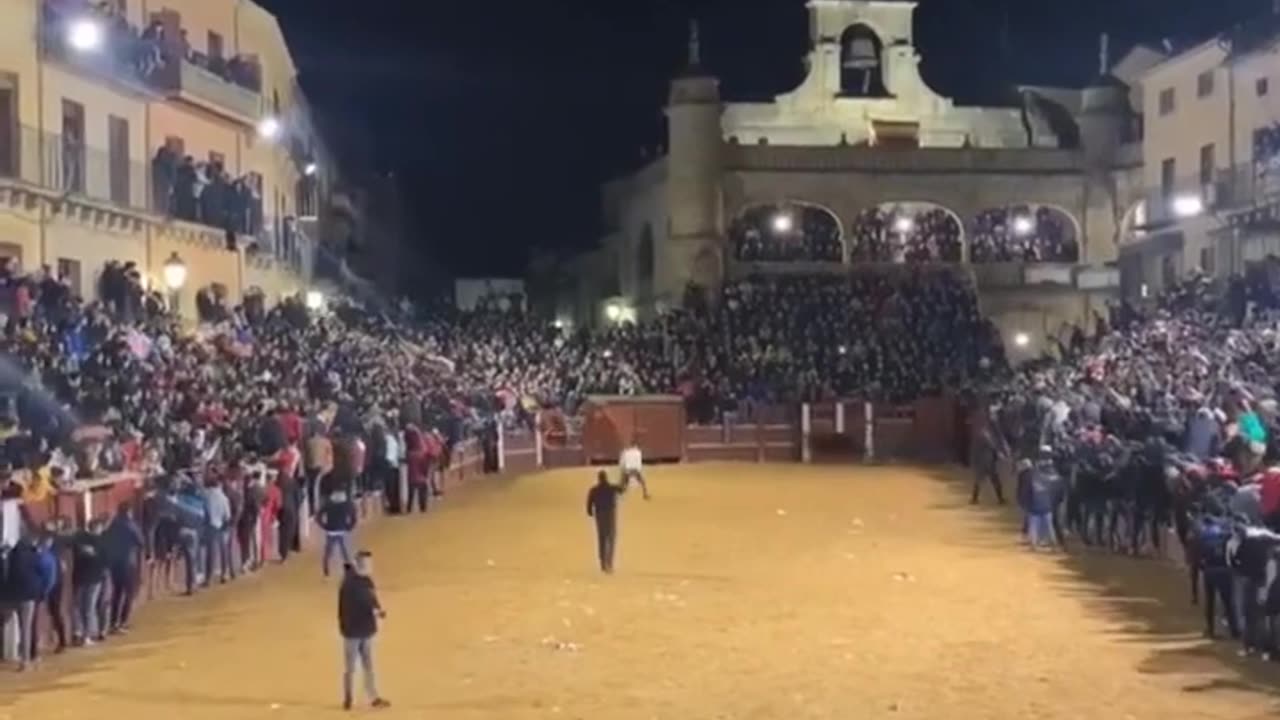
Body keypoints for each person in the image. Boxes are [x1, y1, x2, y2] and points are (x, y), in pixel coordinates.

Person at [338, 551, 390, 711]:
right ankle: (349, 698)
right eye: (368, 564)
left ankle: (371, 697)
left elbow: (372, 600)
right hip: (354, 631)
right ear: (362, 565)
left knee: (366, 665)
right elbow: (360, 604)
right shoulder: (350, 585)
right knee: (352, 667)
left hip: (363, 630)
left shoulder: (363, 581)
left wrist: (378, 609)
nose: (371, 567)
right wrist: (375, 611)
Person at [101, 501, 145, 634]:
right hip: (127, 563)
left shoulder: (112, 526)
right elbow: (141, 542)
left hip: (114, 564)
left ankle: (113, 623)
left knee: (117, 593)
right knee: (129, 593)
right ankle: (122, 621)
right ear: (129, 512)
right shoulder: (131, 526)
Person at [586, 470, 624, 573]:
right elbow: (621, 489)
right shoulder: (611, 488)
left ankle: (602, 563)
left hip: (599, 515)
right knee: (611, 538)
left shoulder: (594, 490)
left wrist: (590, 512)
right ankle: (609, 563)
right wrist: (624, 478)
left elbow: (589, 506)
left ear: (599, 479)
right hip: (610, 515)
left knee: (601, 539)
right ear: (606, 478)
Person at [318, 490, 357, 578]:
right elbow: (354, 517)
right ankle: (349, 571)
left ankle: (326, 571)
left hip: (330, 531)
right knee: (346, 554)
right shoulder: (347, 505)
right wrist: (349, 527)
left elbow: (318, 516)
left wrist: (324, 526)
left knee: (328, 553)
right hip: (342, 531)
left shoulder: (328, 504)